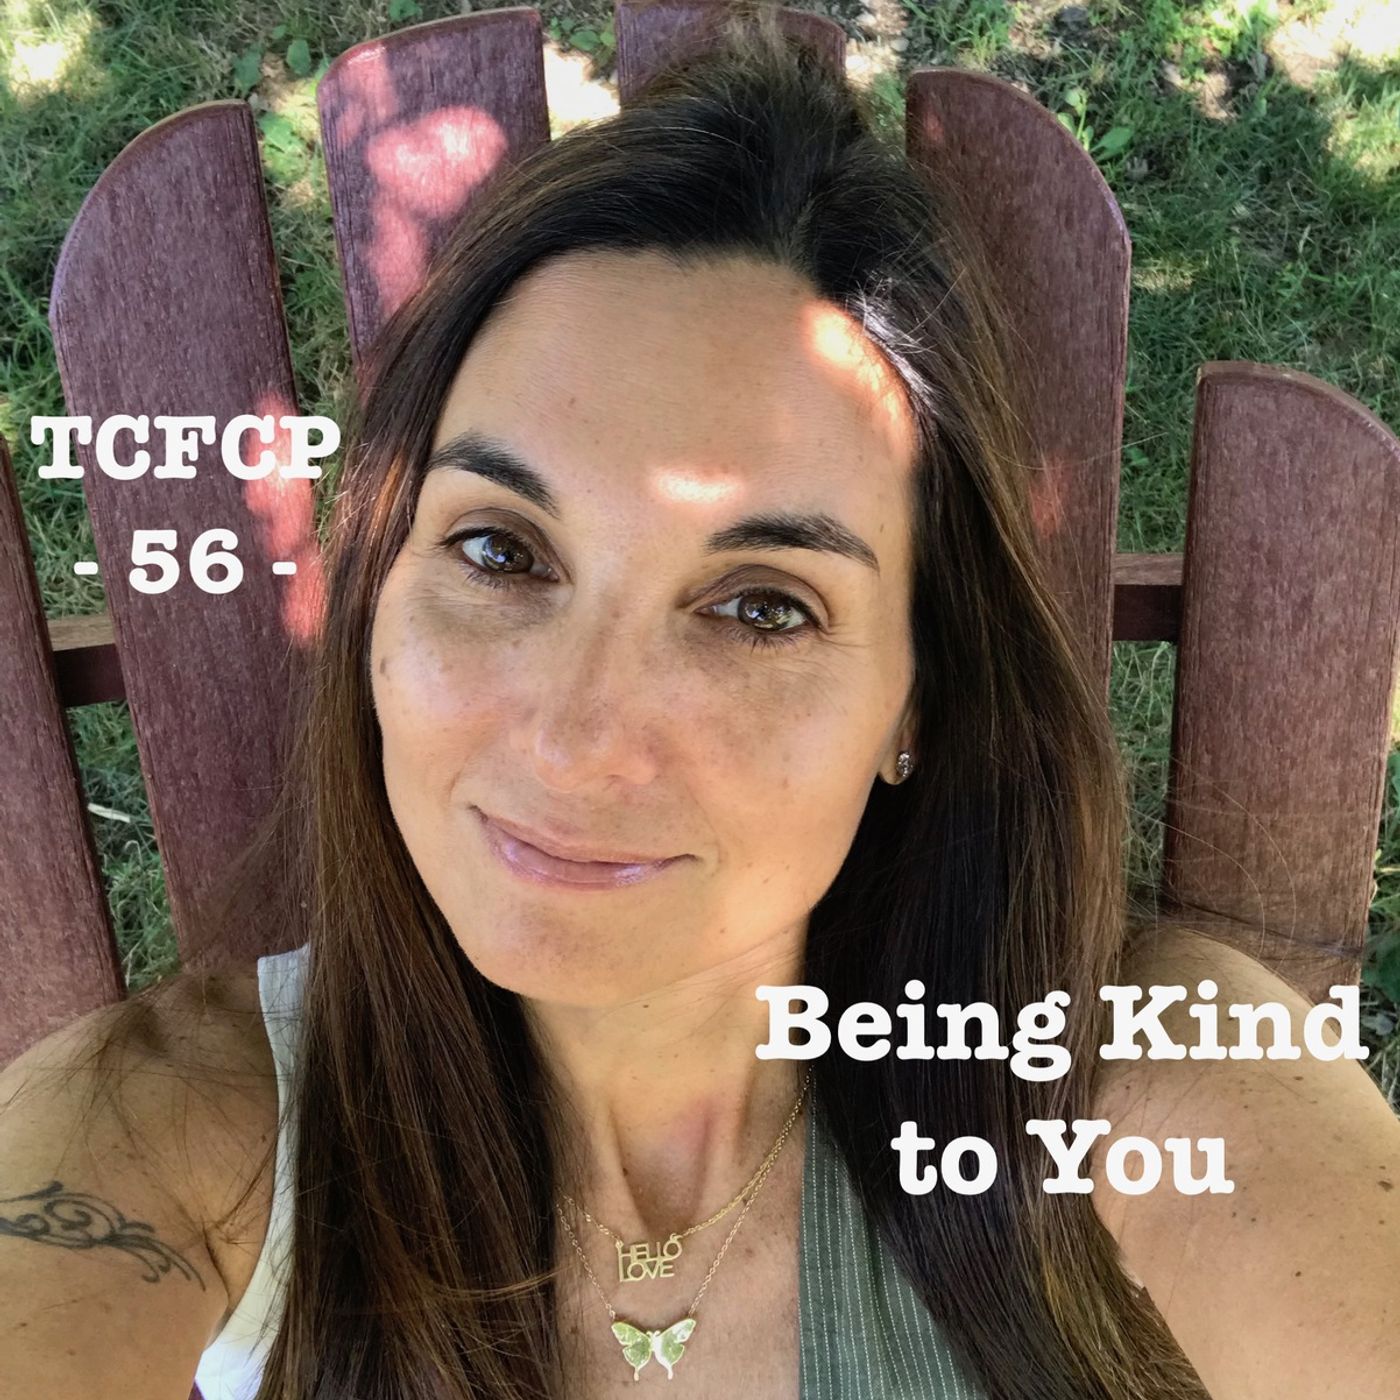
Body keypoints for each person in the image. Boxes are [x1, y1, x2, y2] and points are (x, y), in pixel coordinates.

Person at [3, 11, 1398, 1399]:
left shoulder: (1122, 1082)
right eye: (499, 551)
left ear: (919, 699)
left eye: (762, 608)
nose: (575, 742)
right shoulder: (181, 1137)